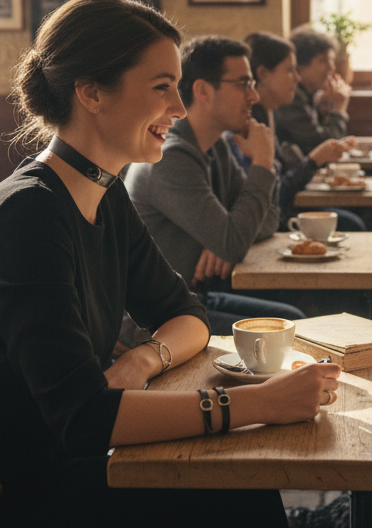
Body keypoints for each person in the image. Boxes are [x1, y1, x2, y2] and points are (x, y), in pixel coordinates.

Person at [0, 0, 340, 528]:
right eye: (161, 87)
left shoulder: (104, 194)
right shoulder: (27, 215)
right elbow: (85, 418)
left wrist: (143, 360)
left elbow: (188, 317)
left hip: (47, 465)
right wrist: (256, 405)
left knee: (235, 495)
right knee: (233, 503)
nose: (178, 107)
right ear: (92, 92)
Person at [124, 35, 306, 335]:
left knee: (294, 320)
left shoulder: (215, 146)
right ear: (204, 91)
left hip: (191, 300)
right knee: (284, 332)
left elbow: (268, 221)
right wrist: (263, 161)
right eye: (244, 84)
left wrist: (225, 236)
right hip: (151, 322)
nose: (254, 97)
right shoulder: (170, 157)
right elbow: (234, 241)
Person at [230, 31, 362, 230]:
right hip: (269, 224)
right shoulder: (251, 123)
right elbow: (276, 194)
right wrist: (314, 160)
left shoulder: (267, 113)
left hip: (277, 217)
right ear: (263, 74)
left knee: (351, 221)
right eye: (291, 70)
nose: (297, 78)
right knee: (351, 224)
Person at [274, 25, 352, 155]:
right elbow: (321, 147)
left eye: (331, 60)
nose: (331, 68)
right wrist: (339, 110)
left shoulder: (308, 94)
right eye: (323, 61)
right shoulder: (290, 97)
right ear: (300, 66)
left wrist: (321, 109)